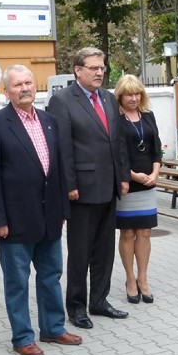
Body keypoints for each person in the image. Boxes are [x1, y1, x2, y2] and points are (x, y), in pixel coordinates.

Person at [0, 65, 82, 355]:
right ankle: (22, 337)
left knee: (51, 275)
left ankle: (53, 328)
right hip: (15, 220)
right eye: (17, 85)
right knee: (17, 282)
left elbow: (57, 168)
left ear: (35, 86)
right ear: (6, 91)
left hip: (49, 217)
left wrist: (63, 207)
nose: (24, 88)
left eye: (28, 83)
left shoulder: (49, 121)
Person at [47, 47, 130, 328]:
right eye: (93, 67)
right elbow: (62, 147)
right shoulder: (62, 101)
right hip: (81, 189)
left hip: (109, 187)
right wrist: (69, 184)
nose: (99, 72)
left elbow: (117, 141)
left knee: (104, 249)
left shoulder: (108, 98)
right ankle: (76, 306)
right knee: (80, 252)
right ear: (78, 70)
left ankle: (99, 300)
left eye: (102, 67)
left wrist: (123, 177)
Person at [114, 75, 162, 303]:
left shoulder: (148, 116)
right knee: (128, 233)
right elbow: (116, 153)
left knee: (144, 232)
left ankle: (143, 278)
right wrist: (133, 175)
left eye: (137, 94)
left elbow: (156, 149)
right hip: (127, 183)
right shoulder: (116, 119)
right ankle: (130, 278)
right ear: (120, 96)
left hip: (148, 183)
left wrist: (154, 174)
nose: (133, 98)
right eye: (128, 94)